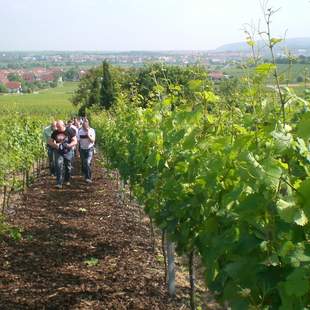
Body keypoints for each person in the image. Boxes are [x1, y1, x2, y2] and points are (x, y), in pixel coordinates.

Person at [48, 120, 77, 189]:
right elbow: (49, 141)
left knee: (68, 167)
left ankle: (66, 180)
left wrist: (70, 145)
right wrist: (55, 145)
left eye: (59, 127)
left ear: (63, 125)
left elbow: (75, 140)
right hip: (58, 151)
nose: (58, 128)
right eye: (57, 127)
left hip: (68, 151)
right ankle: (59, 183)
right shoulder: (55, 132)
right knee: (58, 165)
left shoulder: (69, 131)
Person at [78, 119, 95, 183]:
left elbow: (93, 140)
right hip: (82, 149)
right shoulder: (80, 131)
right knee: (84, 163)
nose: (84, 127)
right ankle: (86, 174)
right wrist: (77, 151)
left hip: (90, 149)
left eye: (85, 125)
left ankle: (88, 177)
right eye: (83, 125)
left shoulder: (92, 130)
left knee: (87, 162)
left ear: (88, 124)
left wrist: (88, 135)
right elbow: (78, 141)